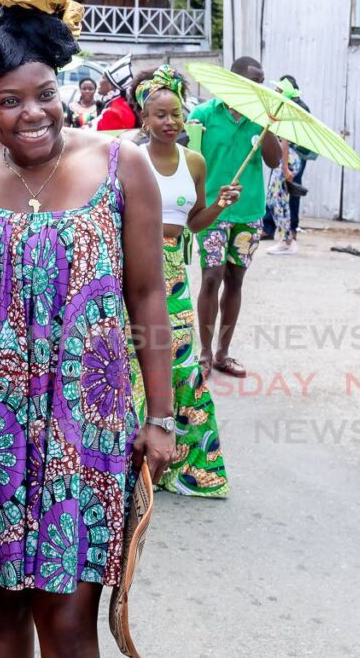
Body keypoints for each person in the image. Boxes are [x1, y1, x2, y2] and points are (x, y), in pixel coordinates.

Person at [0, 0, 175, 657]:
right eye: (8, 101)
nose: (31, 113)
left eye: (43, 94)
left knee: (69, 625)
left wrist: (160, 416)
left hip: (86, 429)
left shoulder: (121, 166)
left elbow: (147, 294)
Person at [134, 65, 238, 498]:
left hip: (173, 268)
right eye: (160, 114)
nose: (170, 122)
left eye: (175, 113)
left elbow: (193, 223)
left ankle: (186, 464)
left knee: (179, 362)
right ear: (144, 119)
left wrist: (219, 204)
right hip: (136, 264)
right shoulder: (128, 156)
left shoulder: (193, 161)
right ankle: (129, 464)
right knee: (134, 354)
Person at [187, 55, 280, 379]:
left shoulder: (261, 119)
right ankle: (204, 351)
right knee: (211, 276)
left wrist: (267, 123)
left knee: (235, 279)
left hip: (248, 211)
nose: (259, 87)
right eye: (253, 81)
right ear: (237, 80)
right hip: (213, 210)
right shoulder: (203, 115)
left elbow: (274, 161)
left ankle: (223, 354)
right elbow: (189, 160)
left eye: (262, 82)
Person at [263, 75, 310, 254]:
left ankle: (287, 240)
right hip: (289, 160)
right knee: (279, 198)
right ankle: (286, 239)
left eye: (278, 90)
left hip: (288, 159)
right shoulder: (288, 107)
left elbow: (284, 141)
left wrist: (284, 168)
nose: (275, 92)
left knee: (276, 199)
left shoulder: (288, 109)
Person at [96, 55, 137, 132]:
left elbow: (111, 142)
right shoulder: (121, 105)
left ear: (111, 86)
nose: (99, 80)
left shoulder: (113, 112)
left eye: (103, 78)